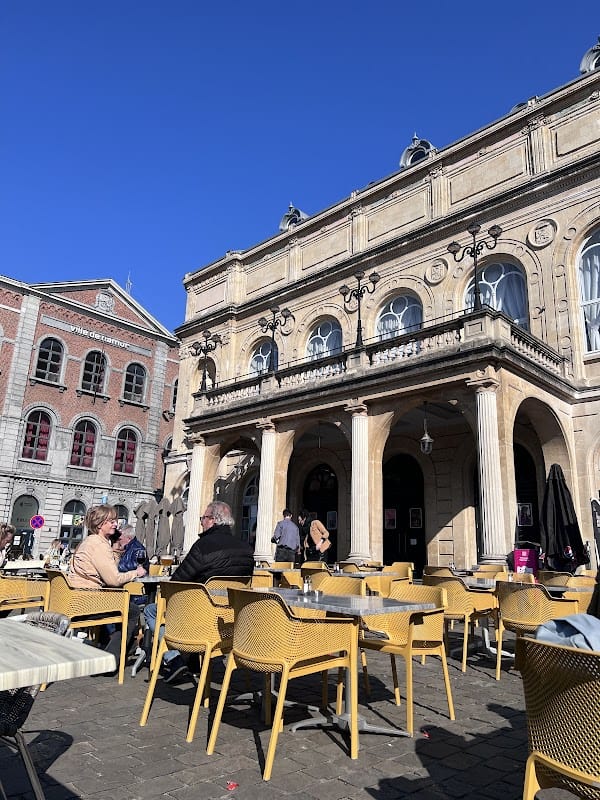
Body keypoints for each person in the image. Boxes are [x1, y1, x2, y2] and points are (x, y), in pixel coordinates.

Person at [144, 500, 253, 683]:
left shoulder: (203, 546)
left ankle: (175, 659)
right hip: (231, 620)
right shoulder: (246, 548)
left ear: (213, 520)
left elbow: (177, 583)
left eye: (203, 518)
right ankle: (193, 662)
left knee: (151, 610)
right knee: (195, 602)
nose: (201, 522)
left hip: (202, 618)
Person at [67, 504, 146, 674]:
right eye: (111, 521)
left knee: (119, 606)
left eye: (115, 520)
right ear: (100, 523)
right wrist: (136, 573)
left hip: (76, 597)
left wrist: (115, 549)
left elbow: (108, 571)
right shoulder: (99, 545)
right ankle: (111, 661)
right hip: (87, 600)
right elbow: (114, 580)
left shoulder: (90, 541)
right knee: (131, 610)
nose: (116, 524)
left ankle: (117, 647)